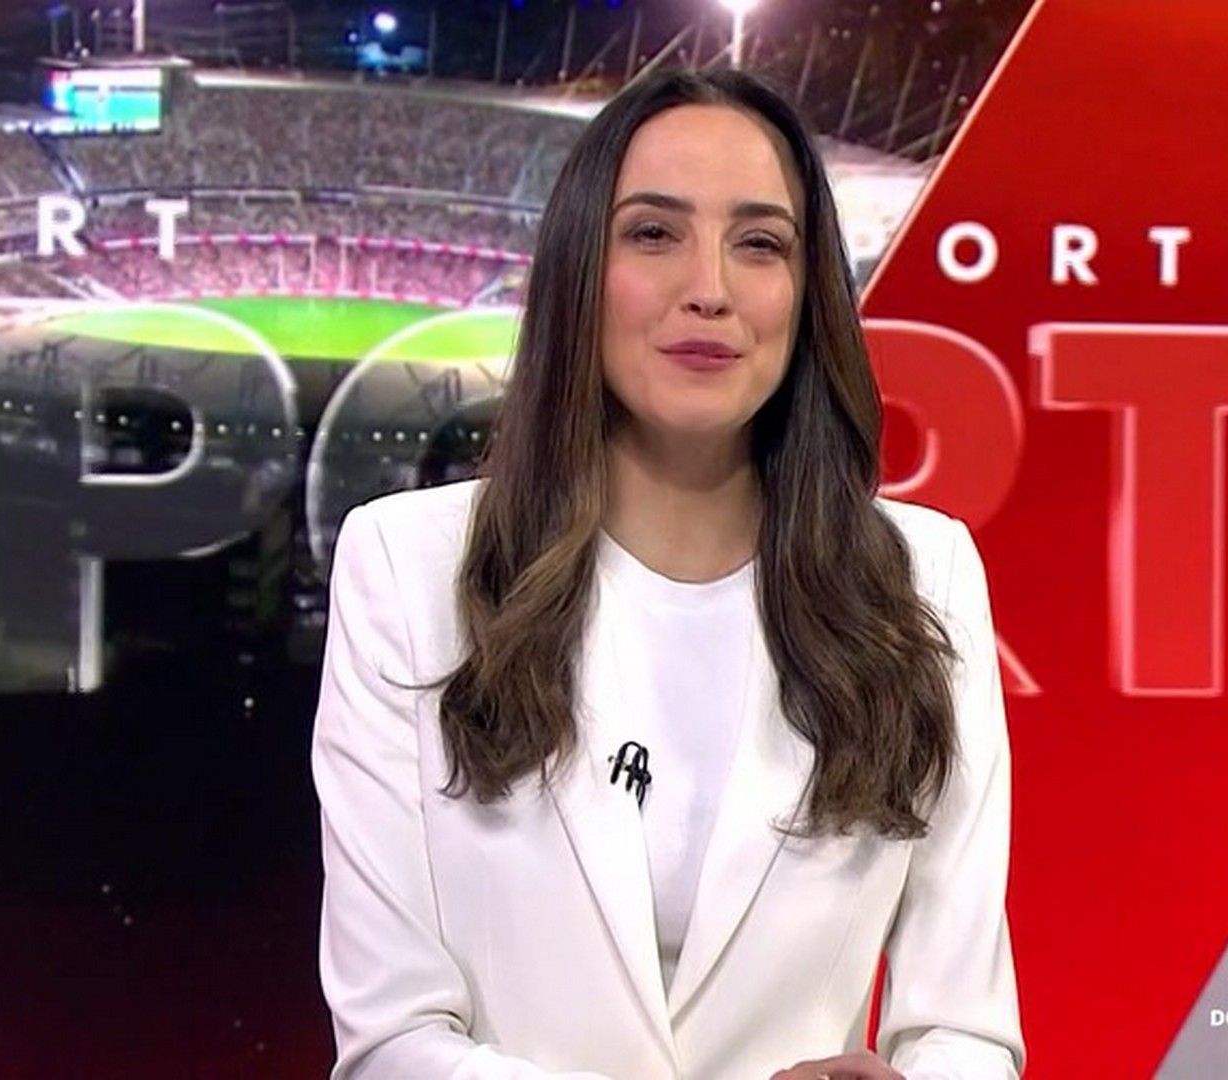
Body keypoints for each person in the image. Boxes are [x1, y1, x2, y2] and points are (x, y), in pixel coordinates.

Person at [312, 68, 1024, 1079]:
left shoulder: (923, 576)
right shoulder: (405, 567)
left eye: (760, 244)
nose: (710, 288)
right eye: (654, 233)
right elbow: (392, 1044)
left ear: (807, 293)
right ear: (580, 271)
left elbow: (967, 1030)